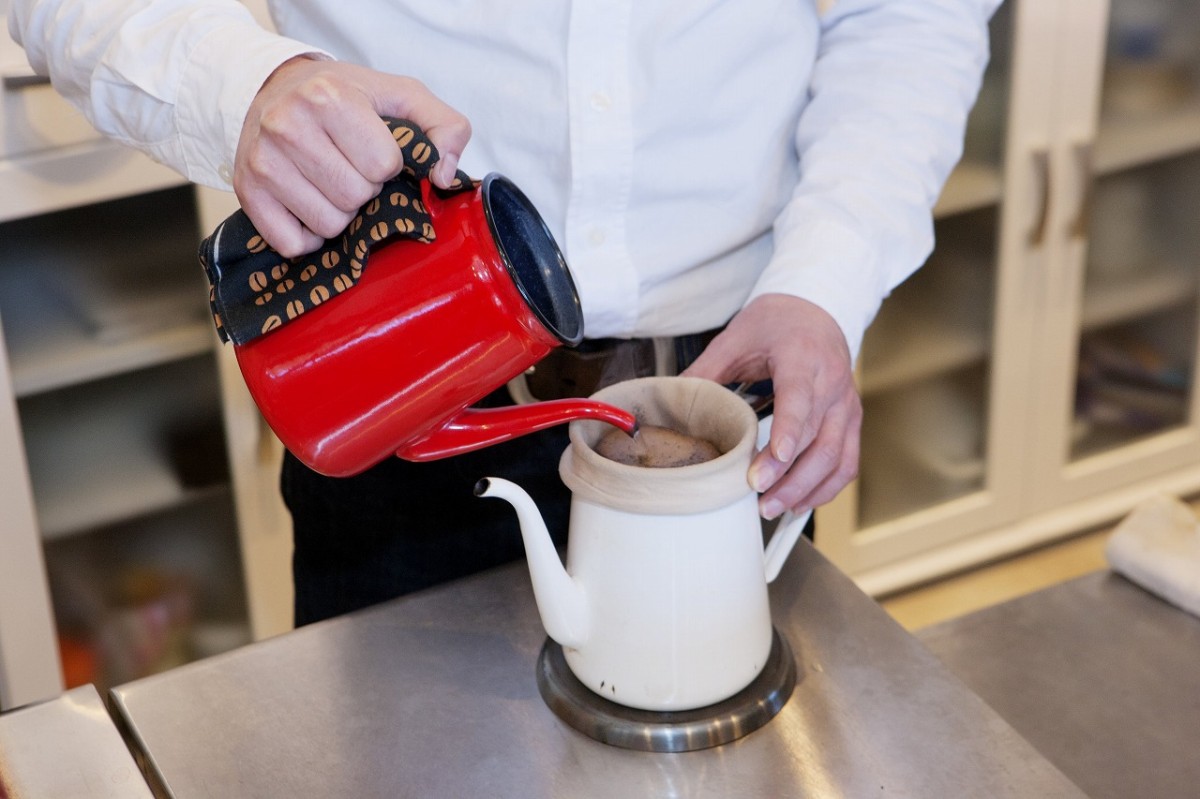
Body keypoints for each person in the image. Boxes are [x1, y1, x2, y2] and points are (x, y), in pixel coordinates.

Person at [11, 0, 1001, 624]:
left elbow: (909, 15)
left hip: (738, 396)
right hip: (410, 401)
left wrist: (824, 283)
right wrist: (247, 85)